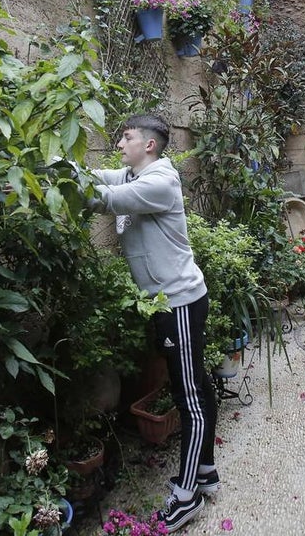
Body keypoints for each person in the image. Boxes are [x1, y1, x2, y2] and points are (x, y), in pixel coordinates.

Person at [87, 113, 218, 533]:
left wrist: (64, 186)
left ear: (149, 145)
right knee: (197, 384)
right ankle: (207, 471)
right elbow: (99, 175)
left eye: (126, 138)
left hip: (178, 303)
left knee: (188, 396)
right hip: (170, 303)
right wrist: (54, 165)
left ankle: (187, 495)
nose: (119, 143)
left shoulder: (159, 181)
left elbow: (105, 198)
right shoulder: (130, 172)